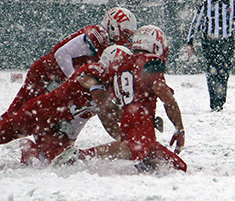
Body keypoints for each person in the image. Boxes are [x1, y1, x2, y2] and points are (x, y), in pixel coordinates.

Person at [54, 25, 187, 172]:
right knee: (131, 149)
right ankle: (81, 155)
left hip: (126, 120)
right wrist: (179, 129)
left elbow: (117, 97)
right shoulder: (150, 62)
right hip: (140, 120)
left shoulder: (124, 63)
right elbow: (167, 99)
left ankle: (143, 162)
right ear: (155, 45)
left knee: (179, 167)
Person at [0, 7, 137, 127]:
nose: (125, 38)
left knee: (40, 121)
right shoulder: (97, 35)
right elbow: (62, 54)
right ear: (112, 26)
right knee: (13, 116)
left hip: (56, 80)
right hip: (45, 74)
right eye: (124, 33)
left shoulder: (106, 42)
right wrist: (73, 80)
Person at [0, 45, 133, 164]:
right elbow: (103, 102)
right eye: (124, 67)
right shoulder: (95, 70)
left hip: (56, 129)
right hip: (38, 113)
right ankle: (32, 150)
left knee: (63, 161)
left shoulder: (109, 88)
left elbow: (108, 120)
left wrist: (125, 140)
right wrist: (133, 118)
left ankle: (31, 151)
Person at [187, 0, 235, 112]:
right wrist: (190, 42)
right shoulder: (206, 4)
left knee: (223, 72)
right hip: (210, 42)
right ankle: (214, 101)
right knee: (211, 72)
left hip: (227, 42)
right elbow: (196, 23)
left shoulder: (233, 5)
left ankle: (220, 101)